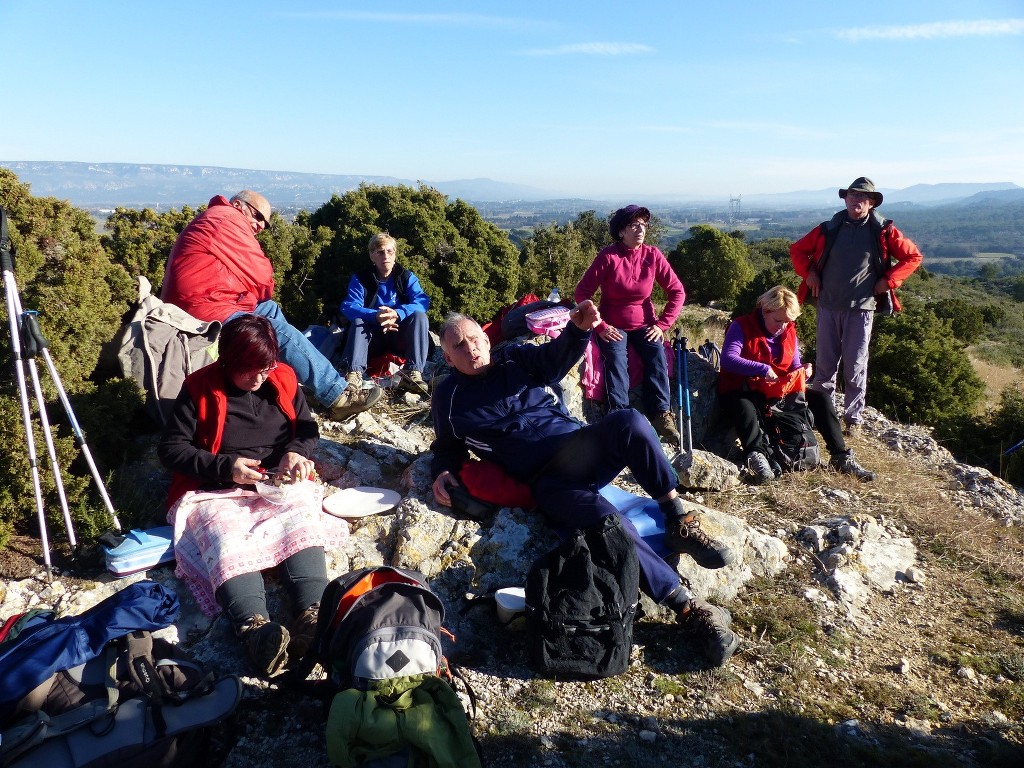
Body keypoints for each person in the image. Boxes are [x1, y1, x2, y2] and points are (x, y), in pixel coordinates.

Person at [429, 302, 740, 667]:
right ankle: (689, 609)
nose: (470, 349)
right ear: (448, 358)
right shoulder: (448, 400)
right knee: (611, 528)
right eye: (458, 347)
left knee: (630, 421)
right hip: (547, 481)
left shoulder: (515, 358)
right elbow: (446, 448)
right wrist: (442, 470)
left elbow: (555, 359)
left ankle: (678, 521)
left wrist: (577, 330)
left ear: (486, 337)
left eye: (473, 339)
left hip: (579, 448)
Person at [158, 314, 348, 676]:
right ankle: (256, 631)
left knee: (300, 515)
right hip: (216, 491)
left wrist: (297, 451)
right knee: (225, 536)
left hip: (276, 482)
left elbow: (308, 428)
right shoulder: (199, 387)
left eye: (267, 366)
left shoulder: (284, 377)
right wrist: (226, 467)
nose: (261, 377)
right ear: (228, 360)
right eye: (251, 370)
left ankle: (313, 617)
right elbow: (171, 449)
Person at [160, 190, 381, 421]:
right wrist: (253, 285)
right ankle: (339, 396)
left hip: (212, 303)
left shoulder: (216, 218)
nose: (260, 226)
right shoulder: (226, 219)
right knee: (276, 332)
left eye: (265, 223)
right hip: (204, 314)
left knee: (269, 309)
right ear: (238, 205)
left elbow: (260, 290)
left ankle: (286, 382)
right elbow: (263, 279)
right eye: (257, 216)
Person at [790, 177, 923, 434]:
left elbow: (912, 256)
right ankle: (822, 414)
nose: (855, 200)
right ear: (845, 198)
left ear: (871, 203)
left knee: (855, 364)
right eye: (852, 195)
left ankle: (853, 419)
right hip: (827, 305)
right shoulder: (829, 228)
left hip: (862, 307)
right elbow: (797, 250)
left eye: (862, 197)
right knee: (825, 365)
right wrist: (809, 273)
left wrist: (889, 281)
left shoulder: (883, 231)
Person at [718, 286, 875, 484]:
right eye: (778, 321)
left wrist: (804, 370)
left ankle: (840, 455)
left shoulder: (789, 332)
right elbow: (728, 359)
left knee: (821, 399)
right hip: (743, 388)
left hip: (778, 390)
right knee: (744, 407)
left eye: (788, 321)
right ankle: (756, 456)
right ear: (765, 311)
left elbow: (793, 365)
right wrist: (762, 369)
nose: (783, 326)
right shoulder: (741, 326)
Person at [575, 204, 685, 443]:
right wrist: (600, 326)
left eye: (643, 225)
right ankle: (620, 416)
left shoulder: (653, 255)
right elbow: (582, 292)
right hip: (613, 323)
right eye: (634, 225)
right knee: (616, 360)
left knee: (656, 356)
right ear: (621, 231)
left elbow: (677, 292)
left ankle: (661, 415)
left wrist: (663, 325)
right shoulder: (609, 256)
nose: (640, 229)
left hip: (646, 323)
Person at [339, 232, 432, 397]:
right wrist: (375, 316)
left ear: (395, 254)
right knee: (359, 321)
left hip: (399, 335)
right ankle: (354, 374)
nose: (385, 256)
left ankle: (413, 372)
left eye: (390, 251)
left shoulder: (406, 277)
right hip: (372, 338)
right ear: (372, 256)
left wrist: (397, 313)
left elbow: (422, 301)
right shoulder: (361, 279)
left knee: (419, 316)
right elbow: (349, 306)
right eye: (380, 252)